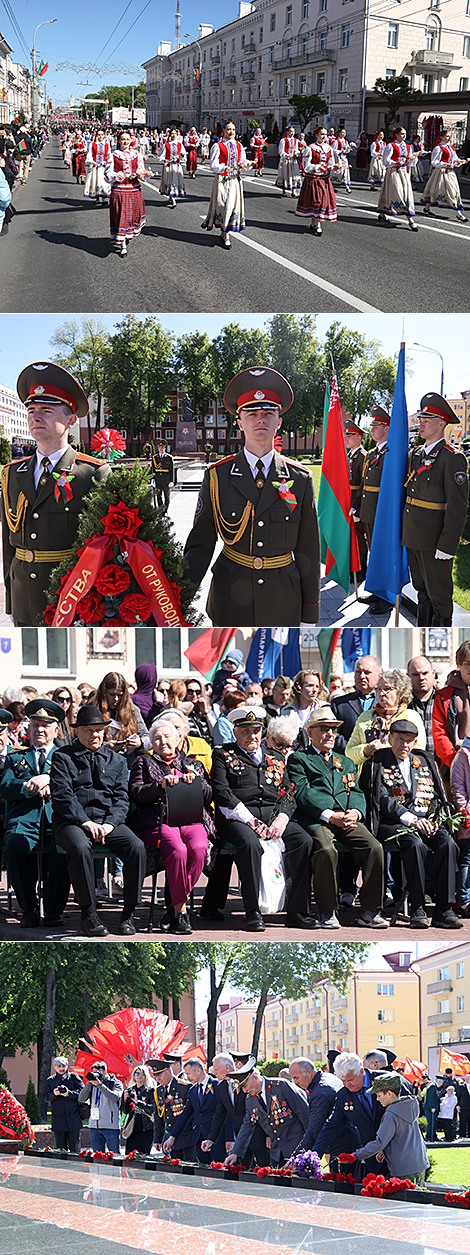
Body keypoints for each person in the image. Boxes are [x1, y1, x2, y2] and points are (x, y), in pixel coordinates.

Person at [185, 368, 320, 626]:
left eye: (269, 413)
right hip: (230, 600)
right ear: (240, 422)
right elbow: (200, 544)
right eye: (252, 414)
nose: (261, 420)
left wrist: (310, 613)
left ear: (279, 421)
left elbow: (309, 550)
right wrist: (177, 601)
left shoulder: (300, 479)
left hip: (283, 600)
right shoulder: (217, 477)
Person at [0, 361, 110, 626]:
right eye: (32, 410)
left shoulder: (92, 473)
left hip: (70, 595)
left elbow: (105, 546)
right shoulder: (11, 474)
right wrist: (11, 596)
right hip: (23, 593)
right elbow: (7, 542)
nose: (36, 417)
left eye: (47, 411)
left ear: (71, 420)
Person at [201, 706, 315, 931]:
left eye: (255, 730)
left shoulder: (275, 757)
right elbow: (222, 793)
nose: (251, 736)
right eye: (245, 731)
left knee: (304, 841)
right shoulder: (223, 754)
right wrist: (250, 821)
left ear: (263, 732)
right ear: (235, 732)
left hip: (273, 818)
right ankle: (253, 911)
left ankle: (297, 911)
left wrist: (282, 819)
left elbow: (288, 792)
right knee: (251, 844)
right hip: (236, 818)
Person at [50, 704, 147, 938]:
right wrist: (86, 822)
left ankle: (129, 913)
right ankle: (89, 913)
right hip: (72, 822)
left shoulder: (116, 760)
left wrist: (110, 824)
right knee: (81, 847)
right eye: (89, 730)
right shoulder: (63, 757)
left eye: (99, 730)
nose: (95, 735)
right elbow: (63, 797)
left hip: (107, 822)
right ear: (77, 731)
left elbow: (122, 798)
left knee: (137, 847)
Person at [288, 706, 388, 930]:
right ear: (310, 731)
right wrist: (330, 815)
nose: (330, 734)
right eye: (324, 729)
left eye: (333, 729)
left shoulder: (346, 762)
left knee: (374, 847)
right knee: (326, 850)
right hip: (318, 818)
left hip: (347, 818)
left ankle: (370, 911)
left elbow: (356, 792)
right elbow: (303, 793)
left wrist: (356, 812)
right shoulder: (299, 759)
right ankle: (327, 910)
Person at [361, 716, 461, 930]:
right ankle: (418, 907)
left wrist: (433, 820)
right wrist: (413, 820)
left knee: (448, 844)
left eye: (408, 740)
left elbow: (435, 796)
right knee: (414, 845)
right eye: (399, 739)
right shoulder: (377, 763)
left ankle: (444, 909)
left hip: (426, 820)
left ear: (415, 742)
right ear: (389, 738)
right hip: (394, 823)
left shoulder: (423, 761)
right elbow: (383, 799)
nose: (403, 745)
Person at [129, 718, 213, 935]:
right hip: (158, 820)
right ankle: (181, 913)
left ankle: (173, 911)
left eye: (167, 737)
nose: (163, 741)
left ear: (178, 739)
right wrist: (160, 786)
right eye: (157, 738)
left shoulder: (193, 765)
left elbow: (208, 795)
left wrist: (195, 783)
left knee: (198, 849)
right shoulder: (143, 763)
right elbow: (137, 794)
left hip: (190, 818)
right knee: (178, 850)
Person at [2, 699, 70, 928]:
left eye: (46, 725)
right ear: (28, 729)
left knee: (62, 850)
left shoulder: (67, 758)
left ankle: (53, 910)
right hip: (24, 820)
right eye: (36, 725)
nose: (40, 729)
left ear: (56, 730)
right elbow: (5, 787)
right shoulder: (15, 758)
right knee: (14, 847)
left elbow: (77, 786)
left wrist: (52, 780)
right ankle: (28, 909)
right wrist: (27, 786)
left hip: (56, 819)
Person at [402, 392, 468, 625]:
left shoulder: (452, 459)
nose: (421, 423)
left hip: (434, 541)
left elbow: (458, 507)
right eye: (421, 418)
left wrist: (448, 544)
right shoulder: (416, 455)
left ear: (442, 424)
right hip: (413, 537)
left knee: (439, 598)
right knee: (421, 592)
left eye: (427, 420)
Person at [313, 1052, 410, 1179]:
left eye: (351, 1079)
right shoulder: (343, 1095)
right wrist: (314, 1156)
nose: (347, 1084)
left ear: (362, 1071)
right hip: (373, 1159)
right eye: (343, 1080)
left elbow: (408, 1114)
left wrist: (388, 1144)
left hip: (401, 1154)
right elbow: (331, 1126)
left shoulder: (387, 1080)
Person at [347, 1072, 429, 1181]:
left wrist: (354, 1156)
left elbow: (379, 1142)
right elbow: (402, 1135)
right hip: (418, 1163)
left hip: (403, 1169)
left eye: (379, 1095)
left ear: (389, 1094)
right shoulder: (407, 1105)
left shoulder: (391, 1114)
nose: (377, 1099)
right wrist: (385, 1151)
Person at [224, 1061, 309, 1166]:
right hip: (276, 1154)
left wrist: (309, 1147)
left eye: (245, 1085)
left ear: (255, 1078)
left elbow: (305, 1115)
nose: (244, 1091)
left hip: (298, 1149)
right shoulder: (250, 1100)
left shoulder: (281, 1086)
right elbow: (247, 1126)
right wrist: (235, 1153)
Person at [345, 669, 426, 772]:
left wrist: (383, 751)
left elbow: (418, 751)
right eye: (378, 689)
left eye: (387, 688)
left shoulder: (411, 717)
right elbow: (349, 753)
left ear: (401, 692)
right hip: (367, 780)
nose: (381, 693)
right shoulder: (365, 716)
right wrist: (366, 750)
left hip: (398, 778)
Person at [200, 1052, 269, 1167]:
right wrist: (211, 1139)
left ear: (227, 1068)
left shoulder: (246, 1083)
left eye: (216, 1069)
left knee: (265, 1171)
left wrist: (268, 1135)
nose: (214, 1073)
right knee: (241, 1173)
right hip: (241, 1140)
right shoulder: (221, 1087)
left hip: (260, 1137)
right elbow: (219, 1115)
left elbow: (263, 1108)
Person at [162, 1057, 226, 1163]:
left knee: (221, 1172)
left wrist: (230, 1138)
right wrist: (172, 1137)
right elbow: (185, 1115)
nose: (187, 1077)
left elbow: (225, 1114)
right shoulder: (192, 1090)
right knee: (204, 1173)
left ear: (198, 1070)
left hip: (217, 1138)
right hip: (199, 1139)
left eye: (189, 1073)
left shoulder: (217, 1085)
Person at [201, 119, 252, 249]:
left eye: (233, 130)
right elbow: (213, 166)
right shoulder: (218, 146)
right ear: (223, 131)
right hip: (222, 180)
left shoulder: (239, 145)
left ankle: (226, 233)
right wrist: (224, 168)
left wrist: (248, 164)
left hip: (235, 180)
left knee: (232, 206)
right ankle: (223, 229)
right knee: (222, 204)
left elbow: (241, 162)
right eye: (228, 129)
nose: (231, 132)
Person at [105, 129, 153, 257]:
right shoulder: (113, 155)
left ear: (131, 140)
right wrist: (116, 175)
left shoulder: (137, 154)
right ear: (118, 141)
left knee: (132, 216)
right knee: (121, 216)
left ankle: (127, 236)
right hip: (119, 190)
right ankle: (123, 245)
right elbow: (107, 174)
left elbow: (141, 171)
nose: (125, 141)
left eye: (127, 139)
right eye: (122, 139)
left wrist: (145, 174)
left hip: (134, 189)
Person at [288, 1056, 342, 1151]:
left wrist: (296, 1158)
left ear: (309, 1072)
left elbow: (314, 1130)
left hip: (340, 1144)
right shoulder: (328, 1076)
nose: (295, 1083)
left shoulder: (320, 1093)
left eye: (296, 1078)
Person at [331, 656, 382, 753]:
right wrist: (355, 751)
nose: (362, 676)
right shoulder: (339, 704)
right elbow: (334, 733)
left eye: (367, 672)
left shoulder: (387, 703)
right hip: (348, 761)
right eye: (358, 672)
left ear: (379, 676)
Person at [433, 640, 470, 774]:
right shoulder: (443, 696)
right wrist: (457, 762)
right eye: (467, 663)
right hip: (455, 767)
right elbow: (440, 735)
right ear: (458, 663)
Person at [295, 126, 337, 236]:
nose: (324, 136)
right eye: (321, 134)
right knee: (316, 202)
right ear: (316, 135)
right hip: (313, 179)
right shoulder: (310, 148)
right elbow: (306, 166)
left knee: (321, 203)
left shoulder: (329, 148)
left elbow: (331, 164)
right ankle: (317, 224)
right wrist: (318, 167)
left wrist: (335, 168)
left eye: (325, 134)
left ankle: (315, 223)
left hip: (325, 179)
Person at [151, 1055, 194, 1158]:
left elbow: (191, 1114)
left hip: (188, 1137)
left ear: (169, 1072)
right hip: (173, 1139)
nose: (158, 1079)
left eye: (160, 1075)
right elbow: (158, 1116)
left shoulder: (184, 1086)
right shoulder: (158, 1091)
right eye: (156, 1076)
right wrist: (158, 1139)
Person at [421, 130, 467, 223]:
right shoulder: (438, 148)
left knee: (450, 191)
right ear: (441, 137)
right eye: (446, 136)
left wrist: (461, 161)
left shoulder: (451, 147)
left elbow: (454, 159)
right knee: (446, 191)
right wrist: (445, 164)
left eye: (449, 136)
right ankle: (458, 213)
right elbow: (434, 162)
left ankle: (427, 207)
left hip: (450, 173)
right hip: (441, 172)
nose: (449, 138)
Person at [78, 1060, 123, 1154]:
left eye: (99, 1072)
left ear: (105, 1072)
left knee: (115, 1156)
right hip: (95, 1126)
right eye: (95, 1072)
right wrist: (89, 1083)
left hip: (111, 1126)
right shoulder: (92, 1084)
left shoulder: (115, 1083)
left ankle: (115, 1170)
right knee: (98, 1157)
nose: (96, 1075)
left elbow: (115, 1097)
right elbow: (81, 1098)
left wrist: (100, 1085)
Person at [378, 127, 418, 231]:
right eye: (401, 134)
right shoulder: (391, 146)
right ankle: (409, 219)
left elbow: (411, 163)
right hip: (394, 172)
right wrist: (396, 163)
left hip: (404, 173)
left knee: (406, 193)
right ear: (396, 134)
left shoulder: (408, 147)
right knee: (396, 193)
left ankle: (384, 213)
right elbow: (385, 161)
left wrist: (414, 158)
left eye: (405, 134)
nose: (404, 136)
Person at [43, 1056, 83, 1153]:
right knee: (61, 1151)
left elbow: (82, 1092)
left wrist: (69, 1094)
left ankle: (77, 1168)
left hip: (73, 1119)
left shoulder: (74, 1077)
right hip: (58, 1121)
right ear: (54, 1067)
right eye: (59, 1066)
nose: (61, 1069)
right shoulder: (50, 1081)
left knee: (76, 1151)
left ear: (67, 1066)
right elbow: (45, 1097)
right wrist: (54, 1094)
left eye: (63, 1066)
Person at [345, 420, 368, 580]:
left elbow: (362, 485)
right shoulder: (348, 456)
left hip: (356, 503)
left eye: (350, 435)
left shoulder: (363, 457)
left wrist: (357, 508)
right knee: (348, 536)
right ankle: (350, 565)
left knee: (359, 537)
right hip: (345, 501)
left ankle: (361, 570)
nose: (346, 438)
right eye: (346, 435)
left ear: (359, 438)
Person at [121, 1065, 156, 1154]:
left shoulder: (151, 1091)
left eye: (142, 1073)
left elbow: (152, 1109)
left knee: (143, 1155)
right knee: (130, 1154)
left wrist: (138, 1102)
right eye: (137, 1073)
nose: (139, 1076)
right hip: (133, 1127)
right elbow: (125, 1111)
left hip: (146, 1128)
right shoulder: (130, 1090)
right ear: (134, 1076)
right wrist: (125, 1100)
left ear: (146, 1076)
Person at [407, 656, 437, 754]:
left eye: (425, 673)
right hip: (413, 763)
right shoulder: (402, 703)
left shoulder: (445, 701)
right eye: (415, 674)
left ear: (433, 673)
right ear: (408, 677)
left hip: (443, 764)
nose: (421, 678)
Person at [158, 127, 186, 206]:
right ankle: (171, 197)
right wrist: (164, 160)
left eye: (175, 134)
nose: (173, 135)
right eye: (172, 134)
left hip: (176, 166)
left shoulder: (180, 144)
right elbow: (162, 155)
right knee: (169, 181)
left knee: (175, 181)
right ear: (169, 135)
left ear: (177, 135)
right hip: (168, 166)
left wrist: (182, 156)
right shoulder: (166, 144)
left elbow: (183, 155)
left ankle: (173, 198)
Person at [84, 130, 111, 204]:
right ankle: (97, 198)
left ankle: (104, 199)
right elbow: (89, 155)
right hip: (95, 166)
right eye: (99, 135)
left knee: (103, 182)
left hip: (103, 167)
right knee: (95, 181)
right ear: (96, 135)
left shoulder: (107, 145)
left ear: (104, 135)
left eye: (102, 135)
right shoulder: (92, 144)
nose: (100, 136)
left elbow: (109, 155)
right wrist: (92, 162)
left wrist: (107, 163)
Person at [276, 126, 299, 196]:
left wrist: (296, 154)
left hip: (293, 159)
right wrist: (286, 155)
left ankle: (293, 191)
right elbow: (280, 151)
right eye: (291, 131)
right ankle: (284, 191)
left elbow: (296, 149)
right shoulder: (284, 140)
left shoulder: (295, 140)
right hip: (285, 160)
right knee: (285, 174)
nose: (292, 133)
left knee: (294, 174)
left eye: (293, 131)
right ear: (288, 132)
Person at [151, 441, 174, 511]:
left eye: (162, 447)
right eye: (159, 447)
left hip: (166, 480)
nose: (161, 448)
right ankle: (161, 510)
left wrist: (171, 481)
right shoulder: (155, 458)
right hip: (158, 480)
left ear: (165, 448)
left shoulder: (169, 458)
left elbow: (171, 470)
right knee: (158, 496)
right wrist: (152, 479)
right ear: (157, 448)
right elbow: (153, 469)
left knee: (167, 497)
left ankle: (165, 510)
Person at [423, 1076, 440, 1142]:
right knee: (431, 1122)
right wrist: (432, 1106)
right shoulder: (432, 1086)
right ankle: (429, 1136)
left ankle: (433, 1135)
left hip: (432, 1107)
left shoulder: (434, 1086)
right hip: (430, 1107)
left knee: (433, 1121)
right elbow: (430, 1098)